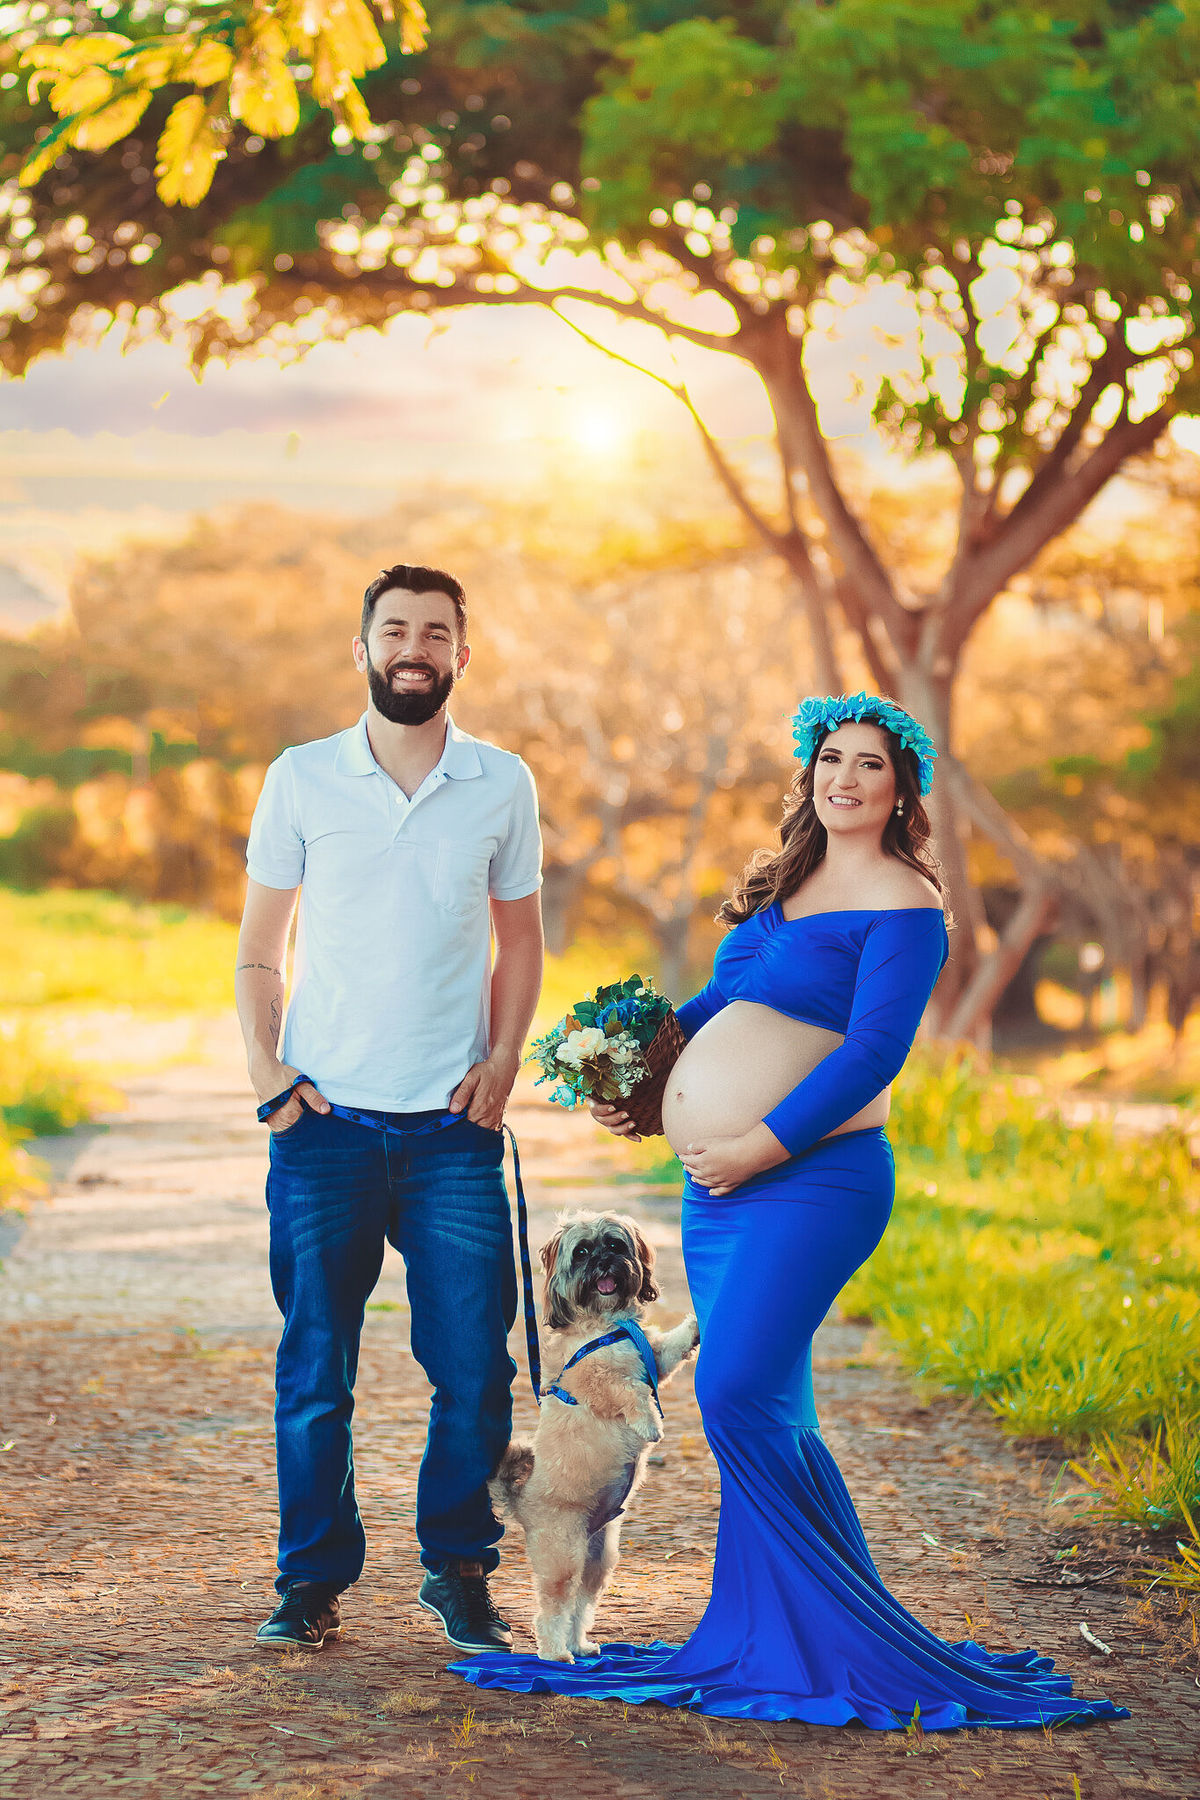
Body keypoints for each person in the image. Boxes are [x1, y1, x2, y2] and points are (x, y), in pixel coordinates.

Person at [453, 694, 1127, 1729]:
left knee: (728, 1390)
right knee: (769, 1407)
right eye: (832, 760)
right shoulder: (791, 882)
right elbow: (723, 1007)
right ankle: (786, 1628)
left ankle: (825, 1634)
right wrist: (635, 1071)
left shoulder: (906, 901)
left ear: (903, 792)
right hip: (721, 1194)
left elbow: (873, 1051)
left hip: (814, 1181)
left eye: (871, 765)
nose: (845, 778)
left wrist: (758, 1143)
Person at [236, 563, 544, 1656]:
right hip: (324, 1130)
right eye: (394, 628)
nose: (414, 646)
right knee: (316, 1367)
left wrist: (504, 1060)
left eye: (436, 631)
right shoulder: (301, 779)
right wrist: (270, 1077)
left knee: (475, 1368)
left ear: (465, 653)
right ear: (360, 649)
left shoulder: (502, 782)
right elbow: (259, 951)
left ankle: (456, 1568)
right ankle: (310, 1581)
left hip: (455, 1132)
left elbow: (522, 943)